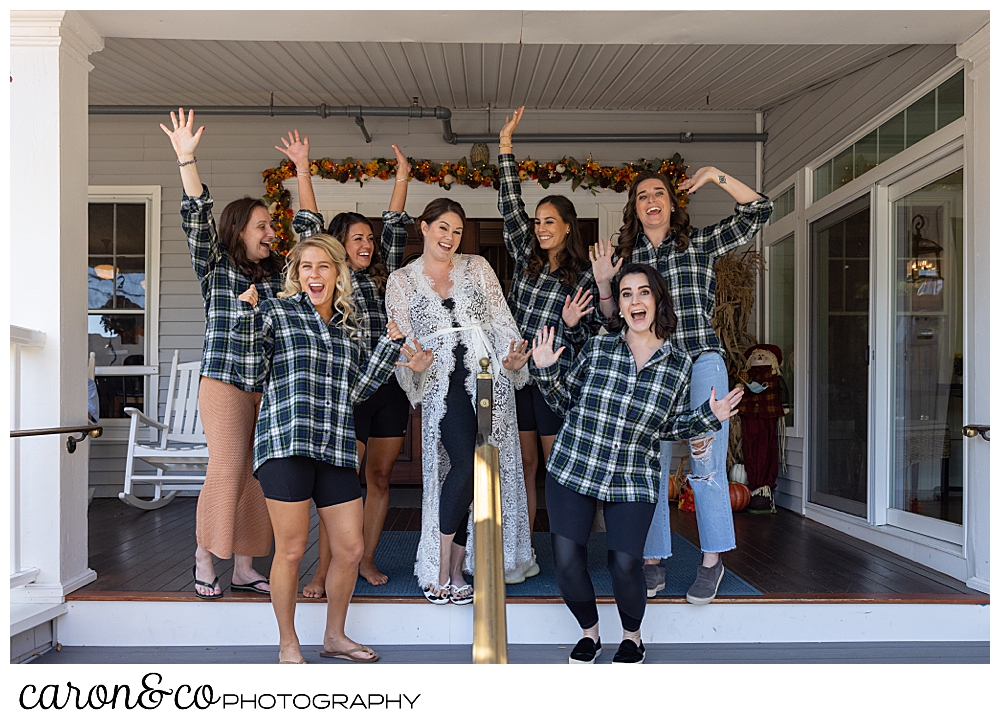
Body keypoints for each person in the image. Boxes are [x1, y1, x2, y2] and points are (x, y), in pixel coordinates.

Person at [530, 264, 744, 663]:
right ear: (621, 306)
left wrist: (708, 416)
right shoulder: (598, 347)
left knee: (626, 563)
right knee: (566, 559)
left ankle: (632, 637)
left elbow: (669, 426)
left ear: (657, 299)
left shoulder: (679, 364)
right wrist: (546, 371)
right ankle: (589, 634)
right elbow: (564, 402)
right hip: (575, 464)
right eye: (625, 294)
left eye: (642, 292)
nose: (634, 301)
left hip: (633, 475)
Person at [240, 233, 433, 664]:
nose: (315, 274)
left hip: (335, 446)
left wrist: (390, 349)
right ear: (296, 274)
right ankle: (288, 644)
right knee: (290, 549)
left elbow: (358, 390)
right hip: (287, 442)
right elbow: (251, 373)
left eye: (324, 266)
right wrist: (246, 319)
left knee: (350, 549)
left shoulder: (348, 325)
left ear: (337, 273)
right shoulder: (275, 312)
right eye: (306, 267)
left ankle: (334, 636)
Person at [591, 166, 772, 603]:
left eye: (659, 193)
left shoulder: (702, 244)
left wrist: (713, 175)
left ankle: (712, 561)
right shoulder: (623, 257)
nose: (651, 200)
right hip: (651, 368)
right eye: (642, 196)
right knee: (650, 465)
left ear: (672, 203)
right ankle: (653, 560)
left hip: (701, 363)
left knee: (704, 461)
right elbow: (613, 322)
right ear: (634, 208)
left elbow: (759, 210)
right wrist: (602, 283)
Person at [384, 198, 534, 602]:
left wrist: (513, 358)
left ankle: (466, 565)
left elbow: (502, 321)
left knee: (484, 469)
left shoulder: (478, 268)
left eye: (456, 230)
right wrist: (411, 366)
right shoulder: (400, 280)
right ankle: (442, 566)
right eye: (442, 228)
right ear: (424, 227)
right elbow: (401, 342)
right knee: (465, 465)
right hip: (442, 381)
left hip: (489, 378)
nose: (449, 237)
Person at [281, 132, 413, 589]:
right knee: (339, 485)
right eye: (358, 238)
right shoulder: (331, 279)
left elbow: (395, 223)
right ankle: (323, 568)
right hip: (346, 390)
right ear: (339, 245)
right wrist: (302, 168)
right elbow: (308, 226)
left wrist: (402, 177)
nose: (368, 244)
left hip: (390, 388)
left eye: (370, 239)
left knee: (378, 477)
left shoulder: (385, 274)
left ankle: (365, 559)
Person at [161, 107, 283, 600]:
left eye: (272, 224)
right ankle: (204, 557)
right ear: (237, 231)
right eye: (262, 225)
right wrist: (187, 160)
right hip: (224, 382)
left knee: (255, 474)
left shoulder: (278, 278)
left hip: (265, 387)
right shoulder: (215, 267)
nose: (271, 231)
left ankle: (246, 566)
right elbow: (196, 220)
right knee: (228, 467)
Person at [497, 107, 599, 559]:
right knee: (524, 464)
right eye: (537, 222)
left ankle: (567, 549)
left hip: (557, 382)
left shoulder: (584, 277)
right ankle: (527, 549)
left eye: (548, 222)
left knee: (557, 465)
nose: (539, 228)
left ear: (567, 227)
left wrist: (573, 326)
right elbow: (510, 206)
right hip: (519, 377)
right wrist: (505, 147)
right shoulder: (526, 259)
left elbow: (594, 338)